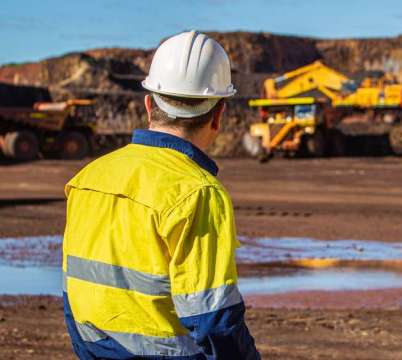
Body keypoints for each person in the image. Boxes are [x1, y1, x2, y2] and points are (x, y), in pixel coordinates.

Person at [62, 31, 260, 359]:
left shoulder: (88, 178)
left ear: (149, 103)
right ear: (219, 114)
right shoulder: (199, 192)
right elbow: (212, 320)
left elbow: (74, 298)